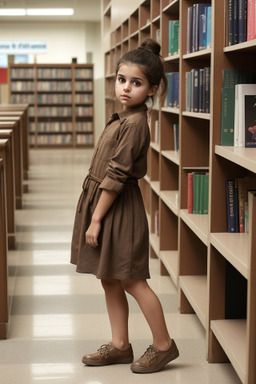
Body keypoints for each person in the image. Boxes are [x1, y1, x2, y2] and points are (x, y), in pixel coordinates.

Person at [71, 38, 179, 374]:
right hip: (103, 202)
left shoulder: (135, 123)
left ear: (152, 89)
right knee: (109, 278)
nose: (126, 88)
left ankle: (164, 345)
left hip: (117, 209)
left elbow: (117, 175)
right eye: (122, 79)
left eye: (136, 83)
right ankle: (120, 344)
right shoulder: (124, 115)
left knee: (132, 280)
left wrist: (95, 220)